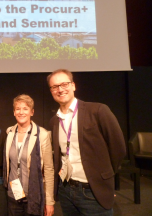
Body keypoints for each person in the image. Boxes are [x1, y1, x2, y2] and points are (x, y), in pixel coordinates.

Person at [47, 69, 126, 216]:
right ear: (51, 91)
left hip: (93, 191)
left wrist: (104, 176)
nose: (60, 89)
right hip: (66, 190)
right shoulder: (54, 121)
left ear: (73, 86)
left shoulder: (98, 110)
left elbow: (118, 148)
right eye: (55, 87)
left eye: (64, 84)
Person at [4, 94, 55, 216]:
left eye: (25, 109)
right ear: (14, 112)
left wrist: (49, 201)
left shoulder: (42, 134)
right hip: (13, 195)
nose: (21, 112)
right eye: (18, 109)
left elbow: (48, 169)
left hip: (33, 197)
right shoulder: (9, 132)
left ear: (32, 112)